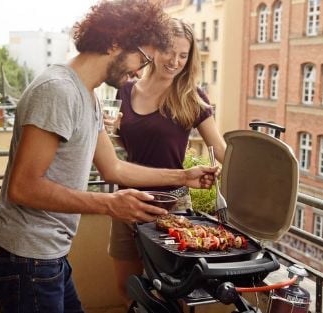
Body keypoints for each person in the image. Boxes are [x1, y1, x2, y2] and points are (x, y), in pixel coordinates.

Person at [0, 2, 219, 313]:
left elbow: (113, 168)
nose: (139, 69)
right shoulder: (58, 90)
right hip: (26, 257)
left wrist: (182, 177)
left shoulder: (89, 95)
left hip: (48, 256)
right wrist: (109, 204)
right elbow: (24, 187)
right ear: (115, 42)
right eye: (142, 58)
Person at [107, 18, 227, 304]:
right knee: (127, 287)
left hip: (171, 205)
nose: (175, 61)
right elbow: (124, 147)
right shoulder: (125, 90)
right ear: (153, 50)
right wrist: (111, 130)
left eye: (183, 55)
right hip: (127, 200)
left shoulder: (192, 97)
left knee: (171, 293)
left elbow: (221, 149)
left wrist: (263, 168)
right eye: (168, 51)